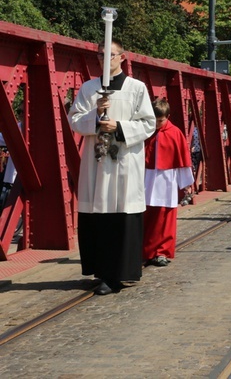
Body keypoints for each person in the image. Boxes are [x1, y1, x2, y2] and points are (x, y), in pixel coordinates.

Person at [68, 40, 156, 295]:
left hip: (125, 160)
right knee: (99, 213)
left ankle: (120, 273)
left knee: (122, 212)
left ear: (123, 57)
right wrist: (95, 118)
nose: (104, 60)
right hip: (97, 161)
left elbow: (148, 123)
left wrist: (118, 126)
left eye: (110, 55)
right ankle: (102, 271)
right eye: (100, 55)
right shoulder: (89, 88)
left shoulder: (136, 88)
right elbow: (74, 119)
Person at [142, 98, 194, 267]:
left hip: (167, 179)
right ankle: (146, 251)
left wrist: (186, 184)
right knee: (146, 215)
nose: (157, 124)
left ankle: (162, 252)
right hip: (146, 177)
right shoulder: (144, 129)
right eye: (154, 120)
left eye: (160, 121)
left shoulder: (175, 132)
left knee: (165, 216)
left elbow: (183, 158)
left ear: (167, 116)